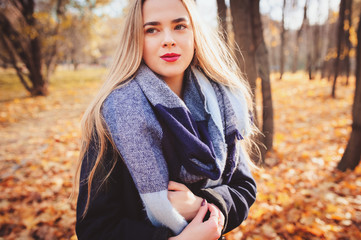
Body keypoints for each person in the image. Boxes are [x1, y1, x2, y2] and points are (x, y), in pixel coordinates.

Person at [74, 0, 258, 239]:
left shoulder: (221, 103)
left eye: (180, 26)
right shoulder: (112, 116)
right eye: (152, 30)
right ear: (136, 40)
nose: (168, 39)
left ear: (195, 34)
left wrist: (203, 205)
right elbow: (95, 229)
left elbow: (244, 187)